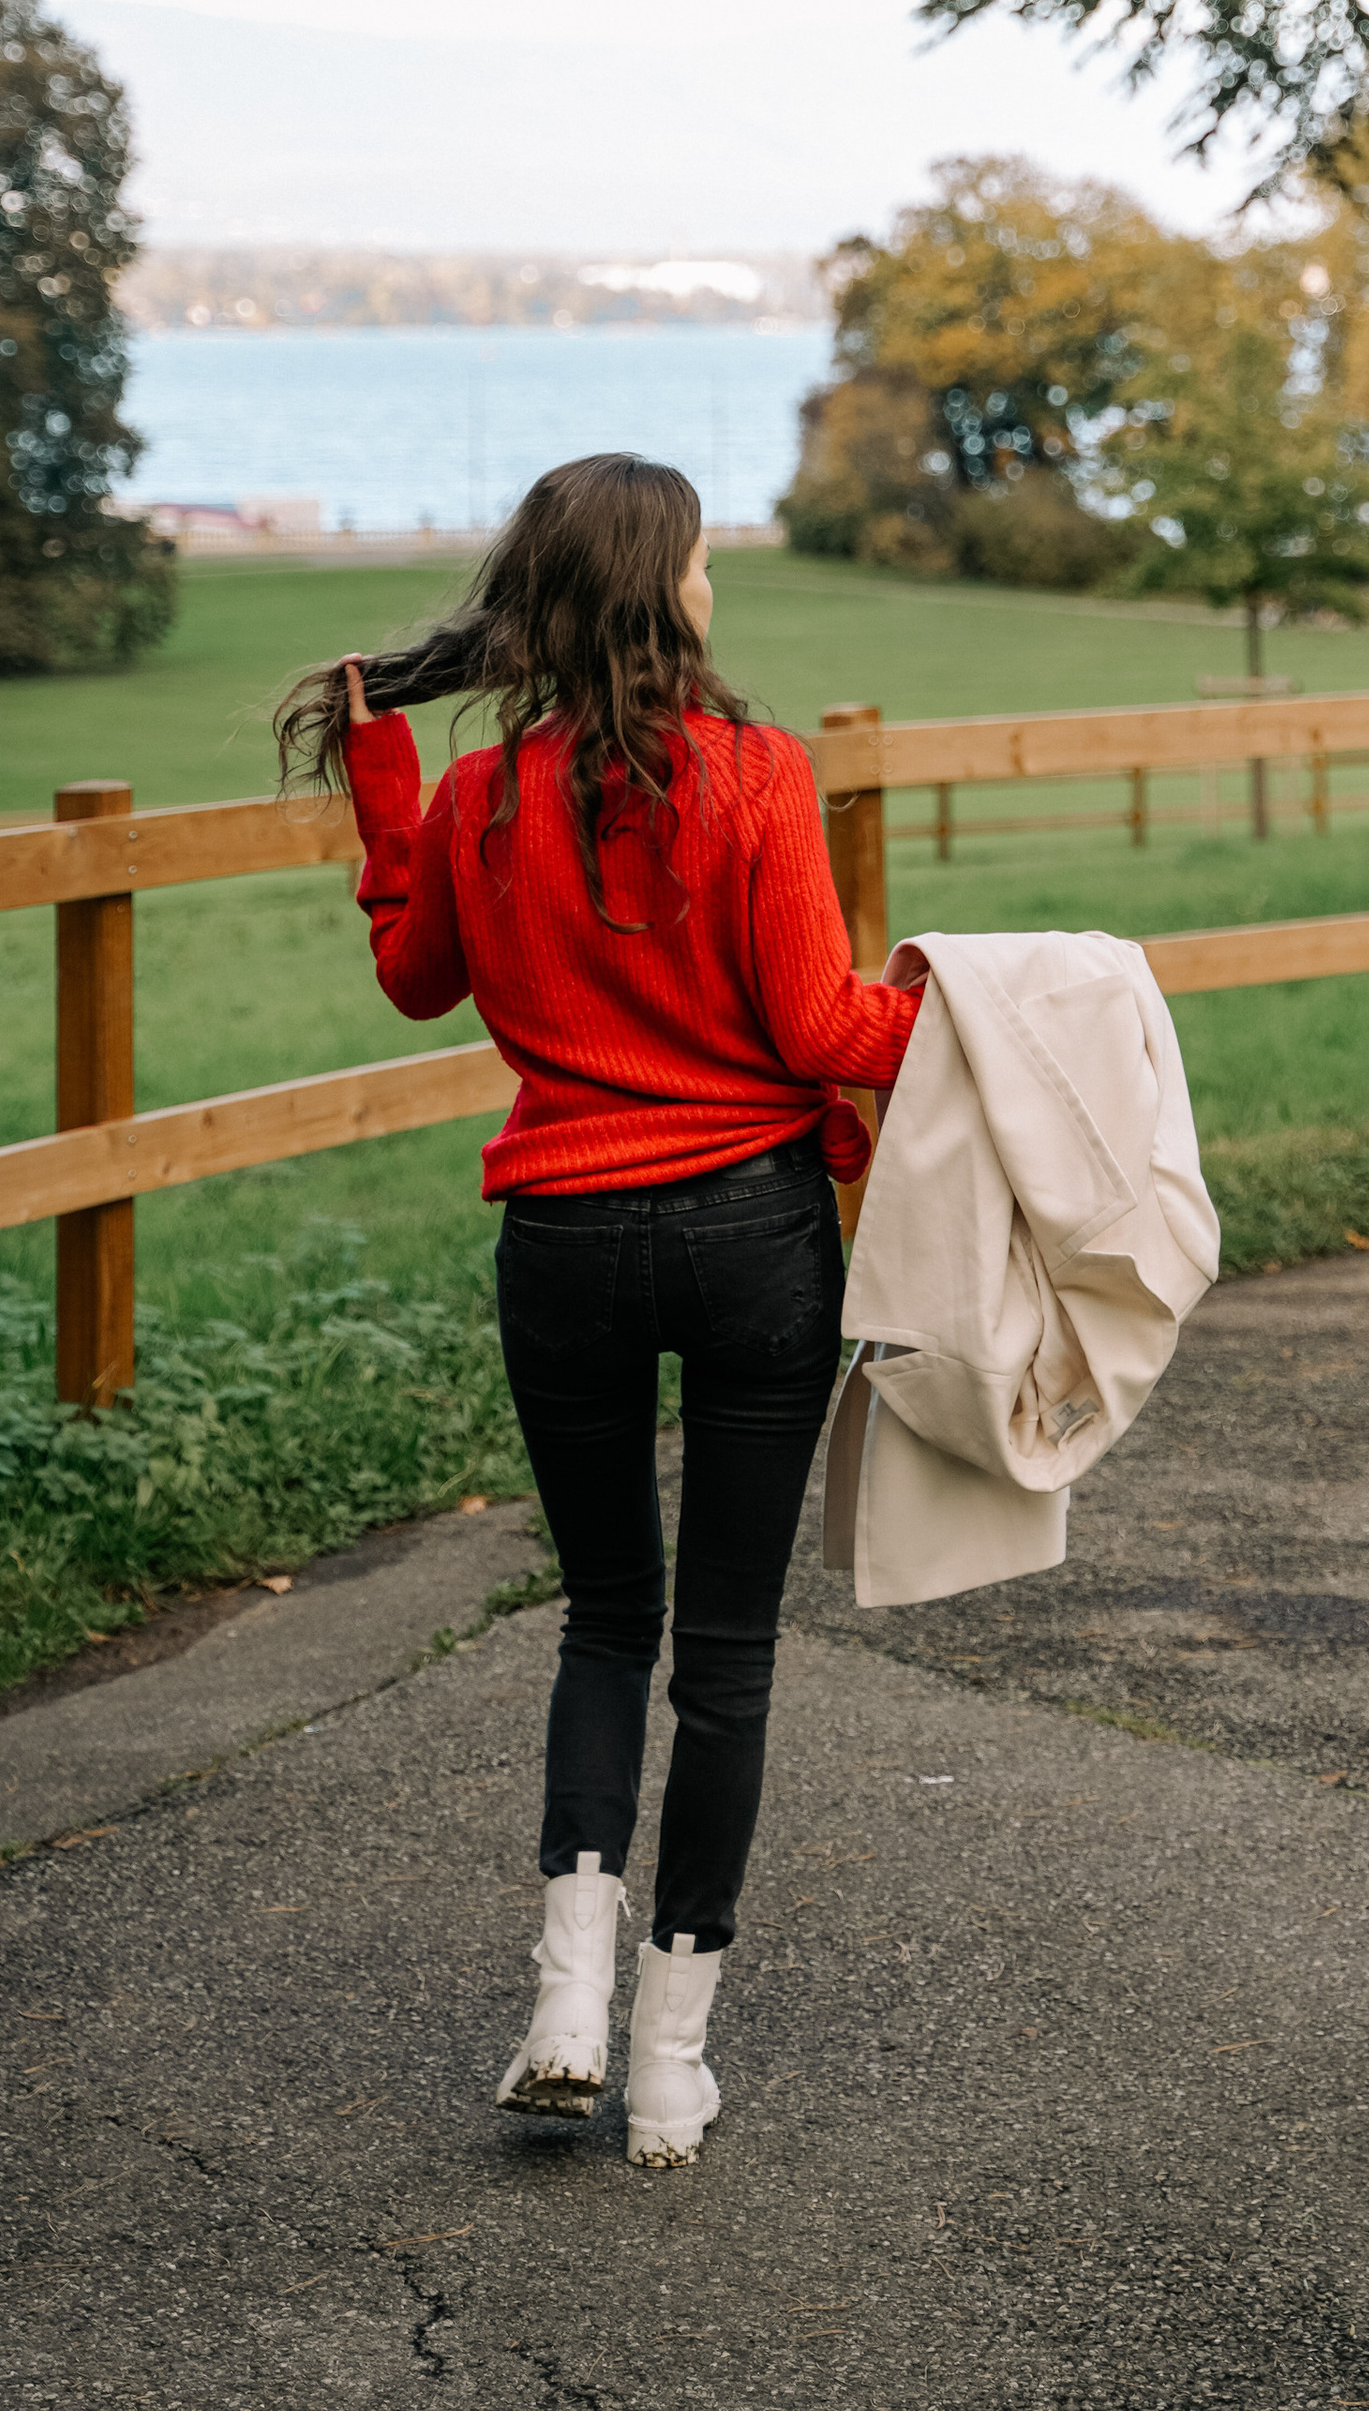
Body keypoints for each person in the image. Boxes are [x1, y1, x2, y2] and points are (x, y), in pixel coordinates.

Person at [275, 453, 921, 2164]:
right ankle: (668, 2066)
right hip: (750, 1242)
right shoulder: (761, 776)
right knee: (725, 1660)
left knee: (602, 1624)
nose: (718, 583)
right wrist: (988, 1017)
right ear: (667, 587)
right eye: (706, 558)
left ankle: (567, 1998)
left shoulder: (486, 801)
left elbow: (417, 977)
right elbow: (817, 1026)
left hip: (561, 1240)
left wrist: (388, 792)